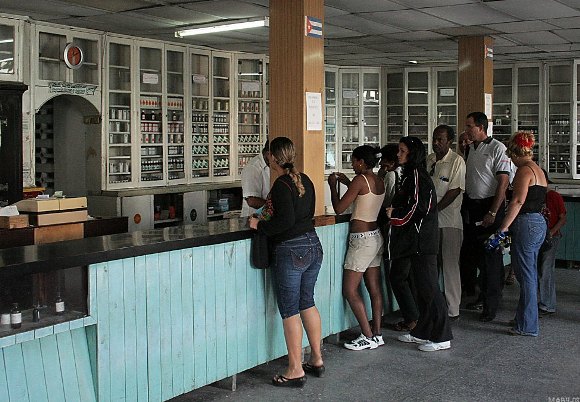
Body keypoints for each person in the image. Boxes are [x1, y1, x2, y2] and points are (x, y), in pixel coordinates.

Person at [249, 137, 323, 387]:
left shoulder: (281, 185)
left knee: (290, 310)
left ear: (271, 156)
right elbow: (305, 215)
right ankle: (316, 358)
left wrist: (259, 224)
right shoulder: (306, 180)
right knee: (307, 302)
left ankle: (295, 369)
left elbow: (284, 222)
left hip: (292, 250)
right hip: (313, 245)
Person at [389, 136, 452, 352]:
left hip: (422, 241)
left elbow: (419, 207)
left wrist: (395, 214)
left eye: (402, 151)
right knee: (421, 289)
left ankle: (442, 335)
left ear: (412, 153)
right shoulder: (409, 176)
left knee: (430, 289)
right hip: (414, 242)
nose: (398, 154)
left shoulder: (417, 175)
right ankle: (423, 331)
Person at [328, 145, 385, 351]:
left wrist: (333, 186)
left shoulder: (360, 180)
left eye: (353, 161)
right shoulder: (378, 180)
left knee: (350, 289)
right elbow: (363, 197)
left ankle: (367, 335)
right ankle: (377, 334)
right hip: (376, 236)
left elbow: (339, 208)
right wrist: (346, 182)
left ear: (361, 162)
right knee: (375, 289)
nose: (352, 164)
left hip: (361, 240)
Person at [491, 132, 547, 336]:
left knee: (526, 277)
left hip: (527, 223)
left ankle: (528, 326)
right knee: (529, 273)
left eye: (511, 156)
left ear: (515, 153)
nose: (511, 161)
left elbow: (517, 201)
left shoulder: (524, 171)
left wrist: (503, 227)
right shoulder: (538, 169)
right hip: (538, 223)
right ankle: (523, 318)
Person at [462, 112, 511, 322]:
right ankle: (481, 296)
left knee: (491, 258)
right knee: (476, 256)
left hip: (490, 206)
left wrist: (492, 211)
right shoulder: (471, 148)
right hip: (473, 206)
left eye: (469, 126)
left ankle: (491, 306)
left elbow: (503, 183)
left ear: (481, 127)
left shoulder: (497, 148)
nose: (466, 130)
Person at [426, 125, 465, 320]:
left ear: (449, 141)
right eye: (434, 139)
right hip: (431, 223)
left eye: (440, 139)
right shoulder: (430, 160)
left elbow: (454, 190)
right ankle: (434, 306)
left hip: (449, 222)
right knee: (432, 266)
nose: (436, 143)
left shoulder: (456, 161)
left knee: (449, 266)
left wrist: (434, 210)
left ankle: (453, 309)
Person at [537, 169, 566, 316]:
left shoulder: (553, 196)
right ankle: (543, 301)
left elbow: (562, 218)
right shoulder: (536, 197)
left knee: (546, 269)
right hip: (538, 236)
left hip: (551, 236)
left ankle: (547, 304)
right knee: (539, 269)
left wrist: (551, 232)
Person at [241, 140, 270, 217]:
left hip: (266, 217)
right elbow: (252, 201)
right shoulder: (253, 167)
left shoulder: (271, 165)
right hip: (252, 218)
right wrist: (272, 208)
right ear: (268, 154)